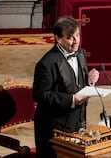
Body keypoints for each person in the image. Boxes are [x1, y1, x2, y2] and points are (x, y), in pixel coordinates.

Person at [32, 16, 99, 158]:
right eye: (70, 38)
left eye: (78, 35)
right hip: (54, 128)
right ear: (58, 39)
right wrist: (71, 100)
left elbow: (77, 83)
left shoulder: (80, 53)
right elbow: (40, 95)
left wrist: (90, 81)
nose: (76, 41)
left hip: (78, 122)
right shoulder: (46, 64)